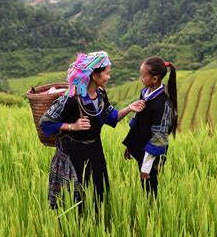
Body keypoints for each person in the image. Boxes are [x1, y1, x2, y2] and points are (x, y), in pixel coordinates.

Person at [39, 51, 145, 209]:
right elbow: (45, 121)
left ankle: (95, 225)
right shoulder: (71, 99)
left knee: (98, 194)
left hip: (94, 151)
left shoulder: (101, 95)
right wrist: (72, 126)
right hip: (72, 154)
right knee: (73, 198)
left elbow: (111, 117)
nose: (109, 77)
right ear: (95, 75)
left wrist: (129, 108)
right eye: (107, 73)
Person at [122, 57, 178, 198]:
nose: (141, 78)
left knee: (150, 187)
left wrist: (146, 166)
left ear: (154, 78)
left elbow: (159, 137)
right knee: (144, 185)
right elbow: (139, 121)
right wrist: (130, 145)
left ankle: (153, 214)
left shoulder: (163, 104)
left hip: (152, 154)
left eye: (143, 76)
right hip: (141, 147)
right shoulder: (145, 93)